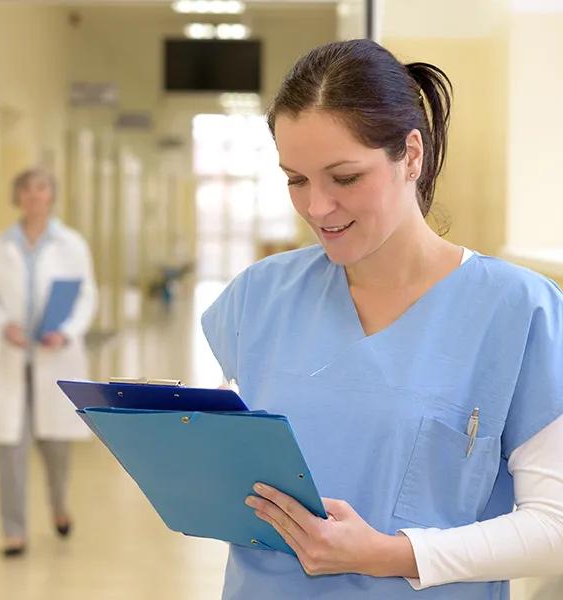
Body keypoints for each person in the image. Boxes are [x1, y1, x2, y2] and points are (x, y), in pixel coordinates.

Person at [201, 39, 563, 599]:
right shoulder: (261, 295)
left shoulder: (516, 310)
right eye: (296, 179)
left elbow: (554, 527)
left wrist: (387, 555)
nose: (317, 207)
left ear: (411, 156)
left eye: (343, 178)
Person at [0, 168, 97, 557]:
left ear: (51, 196)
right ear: (17, 197)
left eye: (41, 188)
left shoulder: (71, 244)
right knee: (10, 449)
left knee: (55, 447)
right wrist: (2, 325)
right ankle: (14, 531)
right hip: (11, 360)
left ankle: (59, 507)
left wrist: (67, 331)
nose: (33, 196)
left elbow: (86, 297)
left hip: (54, 357)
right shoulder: (0, 245)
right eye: (25, 189)